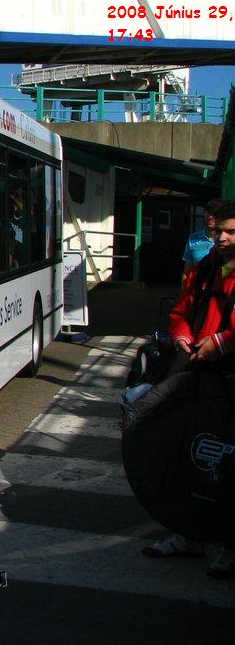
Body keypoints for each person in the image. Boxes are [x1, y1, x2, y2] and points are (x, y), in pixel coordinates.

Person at [141, 199, 235, 578]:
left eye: (231, 232)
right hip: (201, 376)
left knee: (227, 463)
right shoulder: (207, 267)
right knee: (193, 454)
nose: (222, 238)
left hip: (229, 377)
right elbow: (181, 311)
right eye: (218, 231)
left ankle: (230, 547)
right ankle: (189, 534)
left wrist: (220, 343)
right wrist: (182, 336)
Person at [180, 198, 222, 288]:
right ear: (204, 213)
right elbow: (186, 272)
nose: (210, 216)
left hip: (220, 292)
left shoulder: (228, 241)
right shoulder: (193, 238)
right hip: (197, 291)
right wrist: (183, 293)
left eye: (215, 212)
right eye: (208, 212)